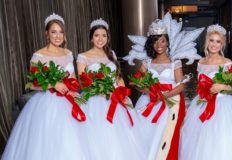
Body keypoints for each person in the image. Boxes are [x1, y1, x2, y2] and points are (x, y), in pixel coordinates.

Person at [1, 13, 85, 160]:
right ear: (47, 34)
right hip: (47, 103)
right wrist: (53, 84)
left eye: (61, 32)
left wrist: (72, 91)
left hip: (68, 100)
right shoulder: (38, 56)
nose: (57, 36)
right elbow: (34, 83)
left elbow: (72, 78)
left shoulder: (68, 53)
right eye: (53, 32)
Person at [76, 18, 144, 160]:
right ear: (91, 37)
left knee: (122, 137)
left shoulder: (111, 54)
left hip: (115, 99)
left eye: (104, 35)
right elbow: (83, 83)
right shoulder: (83, 57)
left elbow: (118, 77)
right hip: (95, 101)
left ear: (107, 37)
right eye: (97, 35)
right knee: (99, 138)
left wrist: (122, 93)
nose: (100, 39)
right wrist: (104, 91)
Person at [179, 24, 232, 160]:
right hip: (202, 103)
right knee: (199, 139)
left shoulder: (227, 63)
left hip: (222, 104)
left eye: (218, 41)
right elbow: (200, 84)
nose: (214, 44)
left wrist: (222, 86)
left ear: (222, 44)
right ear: (207, 42)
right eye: (211, 40)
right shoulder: (201, 62)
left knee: (221, 138)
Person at [133, 20, 186, 160]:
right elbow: (136, 83)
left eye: (162, 41)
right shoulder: (147, 62)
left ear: (167, 42)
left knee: (165, 134)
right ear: (151, 43)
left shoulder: (175, 61)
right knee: (147, 135)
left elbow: (181, 85)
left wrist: (164, 95)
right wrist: (149, 92)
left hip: (169, 102)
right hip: (149, 101)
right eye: (155, 42)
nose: (159, 45)